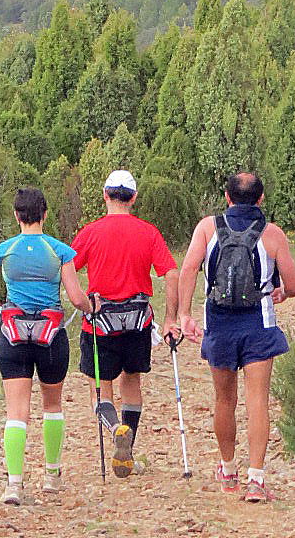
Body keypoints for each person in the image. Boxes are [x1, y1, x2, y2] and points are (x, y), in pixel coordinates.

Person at [178, 171, 295, 503]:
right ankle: (257, 480)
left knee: (224, 400)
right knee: (257, 400)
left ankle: (229, 469)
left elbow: (189, 268)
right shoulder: (273, 234)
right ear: (261, 199)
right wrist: (282, 294)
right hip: (257, 324)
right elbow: (294, 285)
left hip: (219, 324)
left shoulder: (208, 227)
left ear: (227, 196)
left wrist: (184, 315)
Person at [0, 185, 93, 505]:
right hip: (51, 338)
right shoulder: (61, 251)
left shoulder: (4, 250)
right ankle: (52, 476)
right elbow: (77, 298)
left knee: (16, 412)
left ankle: (14, 484)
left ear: (17, 216)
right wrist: (91, 306)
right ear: (44, 215)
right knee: (52, 406)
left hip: (13, 336)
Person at [70, 168, 180, 478]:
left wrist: (81, 299)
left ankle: (116, 428)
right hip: (138, 322)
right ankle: (128, 448)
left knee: (100, 389)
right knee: (132, 381)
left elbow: (68, 268)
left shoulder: (90, 232)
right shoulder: (148, 232)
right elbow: (171, 273)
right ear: (133, 198)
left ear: (105, 195)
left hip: (99, 324)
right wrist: (171, 319)